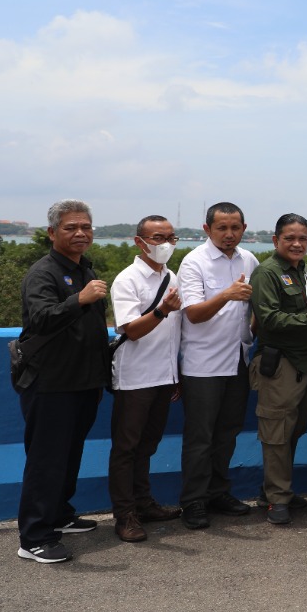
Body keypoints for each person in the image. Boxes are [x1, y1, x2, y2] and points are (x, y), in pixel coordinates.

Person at [14, 200, 111, 563]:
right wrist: (79, 299)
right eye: (71, 227)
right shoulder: (43, 273)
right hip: (51, 382)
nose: (80, 233)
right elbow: (41, 319)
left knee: (70, 453)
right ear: (53, 232)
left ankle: (59, 513)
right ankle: (34, 537)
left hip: (84, 380)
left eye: (86, 226)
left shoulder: (85, 268)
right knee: (46, 459)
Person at [177, 202, 258, 530]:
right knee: (200, 437)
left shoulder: (249, 260)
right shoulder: (194, 262)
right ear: (207, 229)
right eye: (221, 228)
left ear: (243, 228)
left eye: (235, 228)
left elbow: (255, 306)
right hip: (203, 365)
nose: (229, 234)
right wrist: (227, 295)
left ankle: (218, 492)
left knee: (228, 433)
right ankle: (193, 501)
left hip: (238, 359)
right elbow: (193, 314)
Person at [249, 214, 307, 525]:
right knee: (276, 433)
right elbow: (268, 319)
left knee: (293, 430)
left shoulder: (306, 272)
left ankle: (274, 489)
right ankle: (277, 499)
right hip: (280, 363)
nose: (297, 244)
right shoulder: (266, 273)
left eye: (303, 239)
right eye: (290, 238)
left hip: (305, 363)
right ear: (276, 241)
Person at [107, 215, 184, 542]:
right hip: (135, 376)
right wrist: (162, 310)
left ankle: (143, 502)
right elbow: (132, 330)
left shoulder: (172, 277)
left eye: (170, 237)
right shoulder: (128, 280)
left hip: (163, 375)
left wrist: (175, 374)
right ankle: (124, 516)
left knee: (147, 445)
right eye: (157, 238)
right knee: (126, 448)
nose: (164, 244)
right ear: (140, 242)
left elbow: (175, 334)